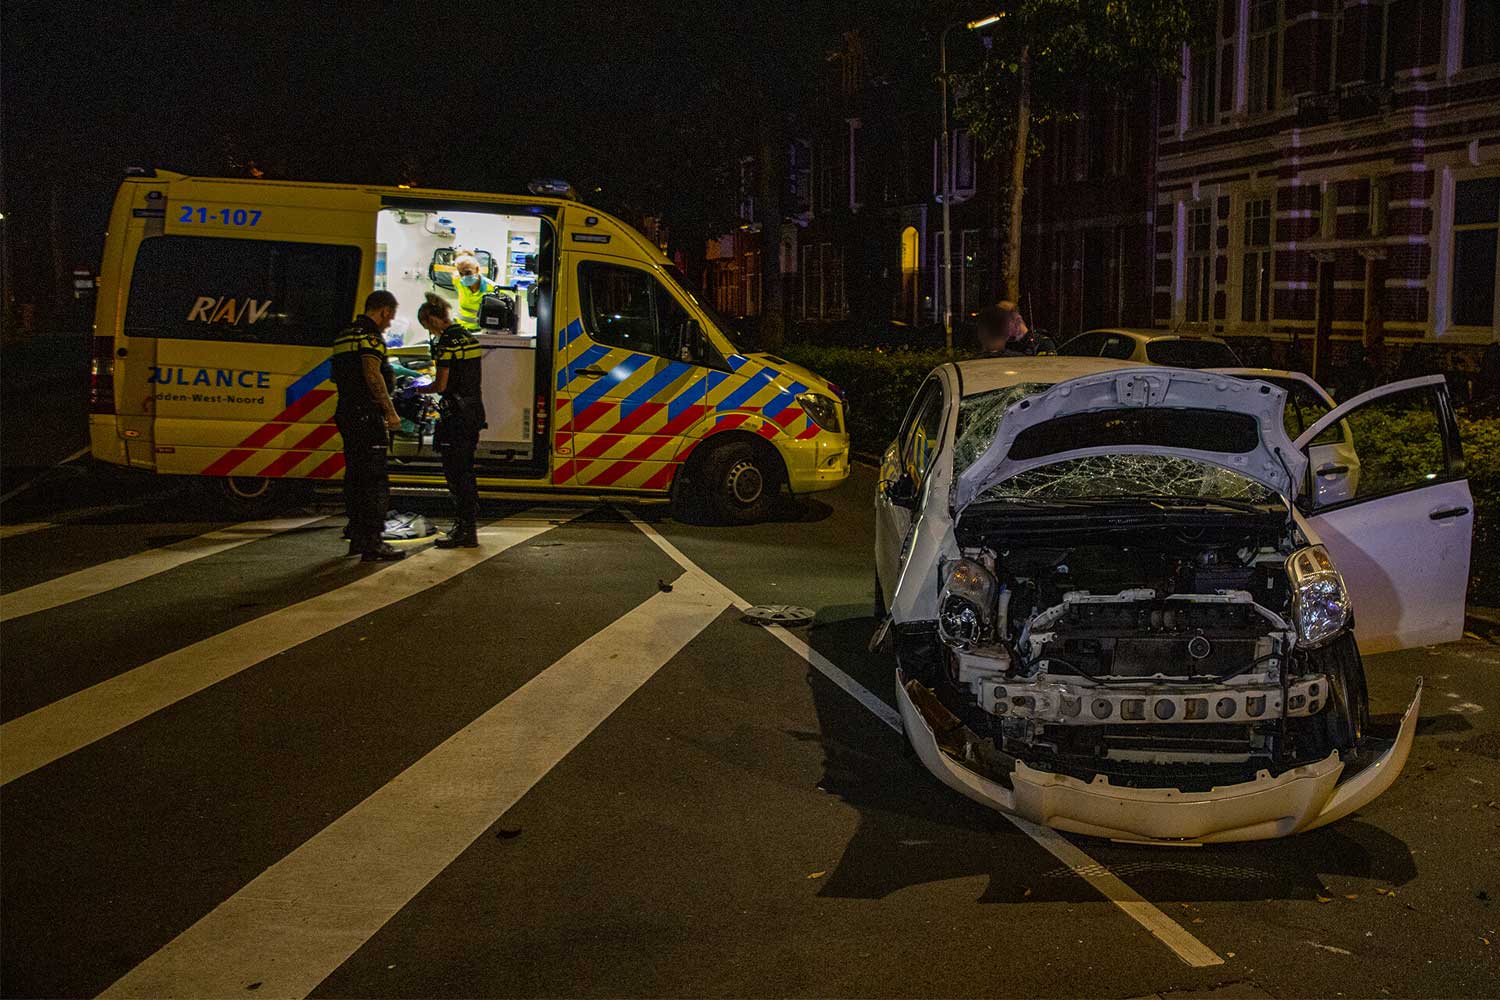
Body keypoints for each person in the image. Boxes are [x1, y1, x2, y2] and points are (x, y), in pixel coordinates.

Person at [332, 290, 406, 561]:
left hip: (347, 412)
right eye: (390, 317)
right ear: (384, 311)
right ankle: (373, 542)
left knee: (355, 475)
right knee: (374, 480)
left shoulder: (344, 335)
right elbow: (372, 374)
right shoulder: (370, 337)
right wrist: (390, 413)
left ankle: (357, 535)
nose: (389, 323)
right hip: (366, 415)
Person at [416, 292, 487, 547]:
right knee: (466, 471)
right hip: (474, 412)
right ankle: (469, 529)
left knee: (455, 475)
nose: (430, 332)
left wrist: (418, 388)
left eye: (427, 326)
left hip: (455, 416)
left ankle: (464, 530)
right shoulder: (468, 337)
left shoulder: (447, 343)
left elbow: (441, 384)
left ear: (433, 319)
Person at [451, 251, 505, 331]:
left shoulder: (492, 288)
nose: (464, 276)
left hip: (483, 330)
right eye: (461, 273)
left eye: (468, 272)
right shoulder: (458, 281)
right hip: (461, 327)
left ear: (477, 269)